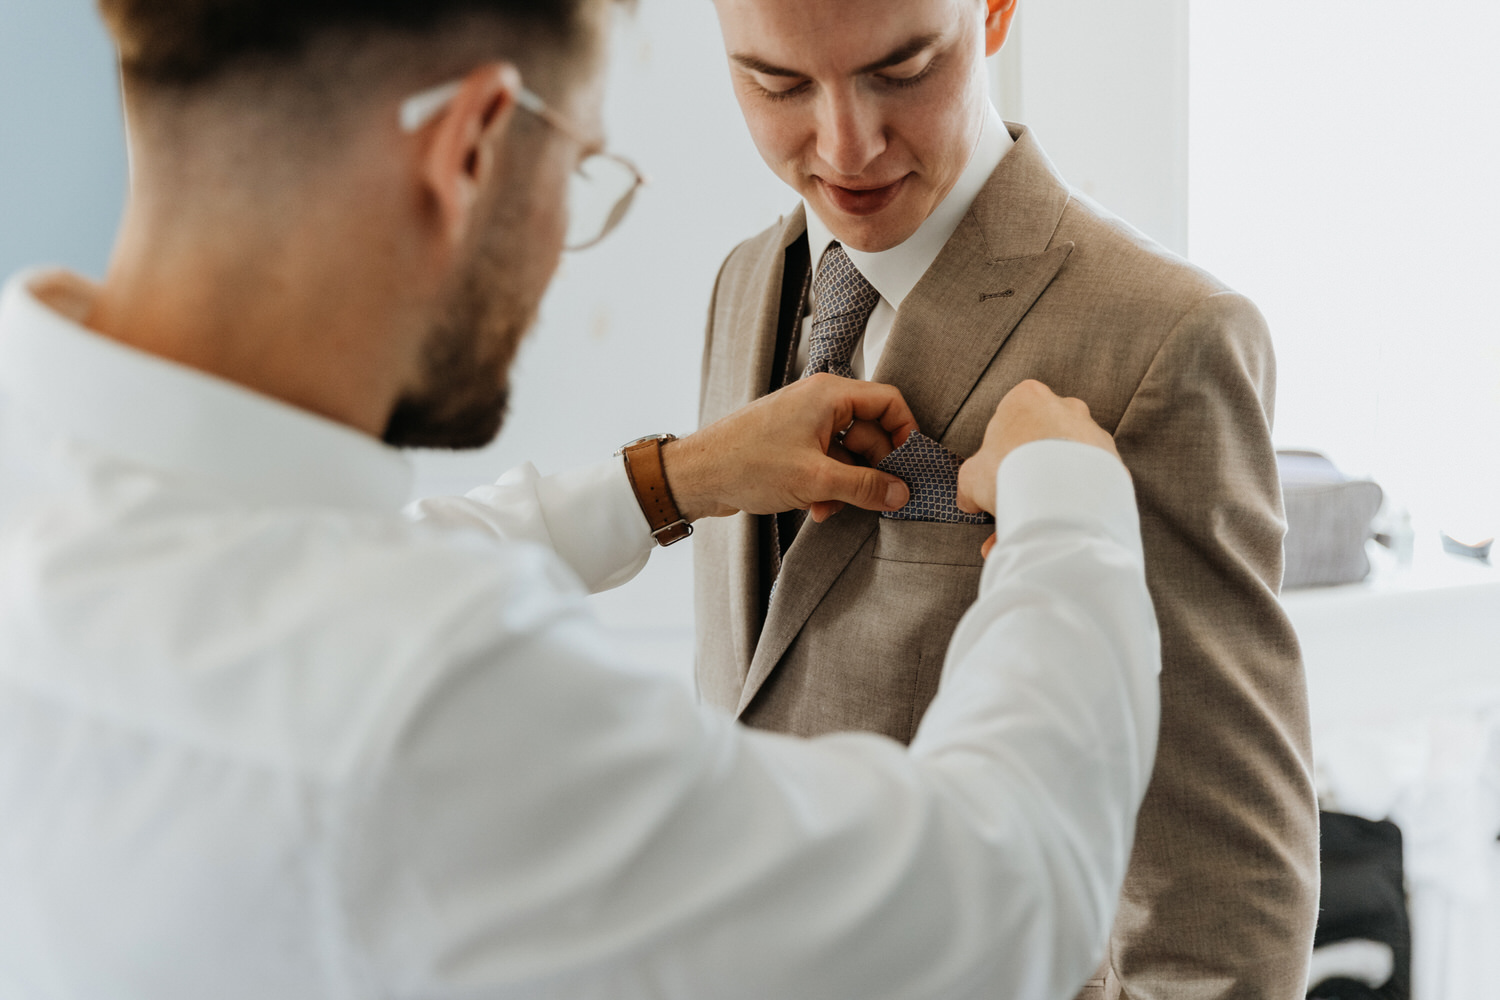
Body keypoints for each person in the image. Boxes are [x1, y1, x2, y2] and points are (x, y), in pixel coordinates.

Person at [0, 1, 1162, 997]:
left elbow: (316, 564)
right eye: (579, 173)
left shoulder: (55, 493)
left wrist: (672, 478)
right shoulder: (422, 692)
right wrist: (1067, 507)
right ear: (471, 146)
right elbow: (1006, 897)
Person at [692, 0, 1320, 996]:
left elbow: (1227, 906)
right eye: (778, 84)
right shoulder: (745, 282)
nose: (845, 146)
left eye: (902, 70)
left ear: (992, 11)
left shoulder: (1168, 338)